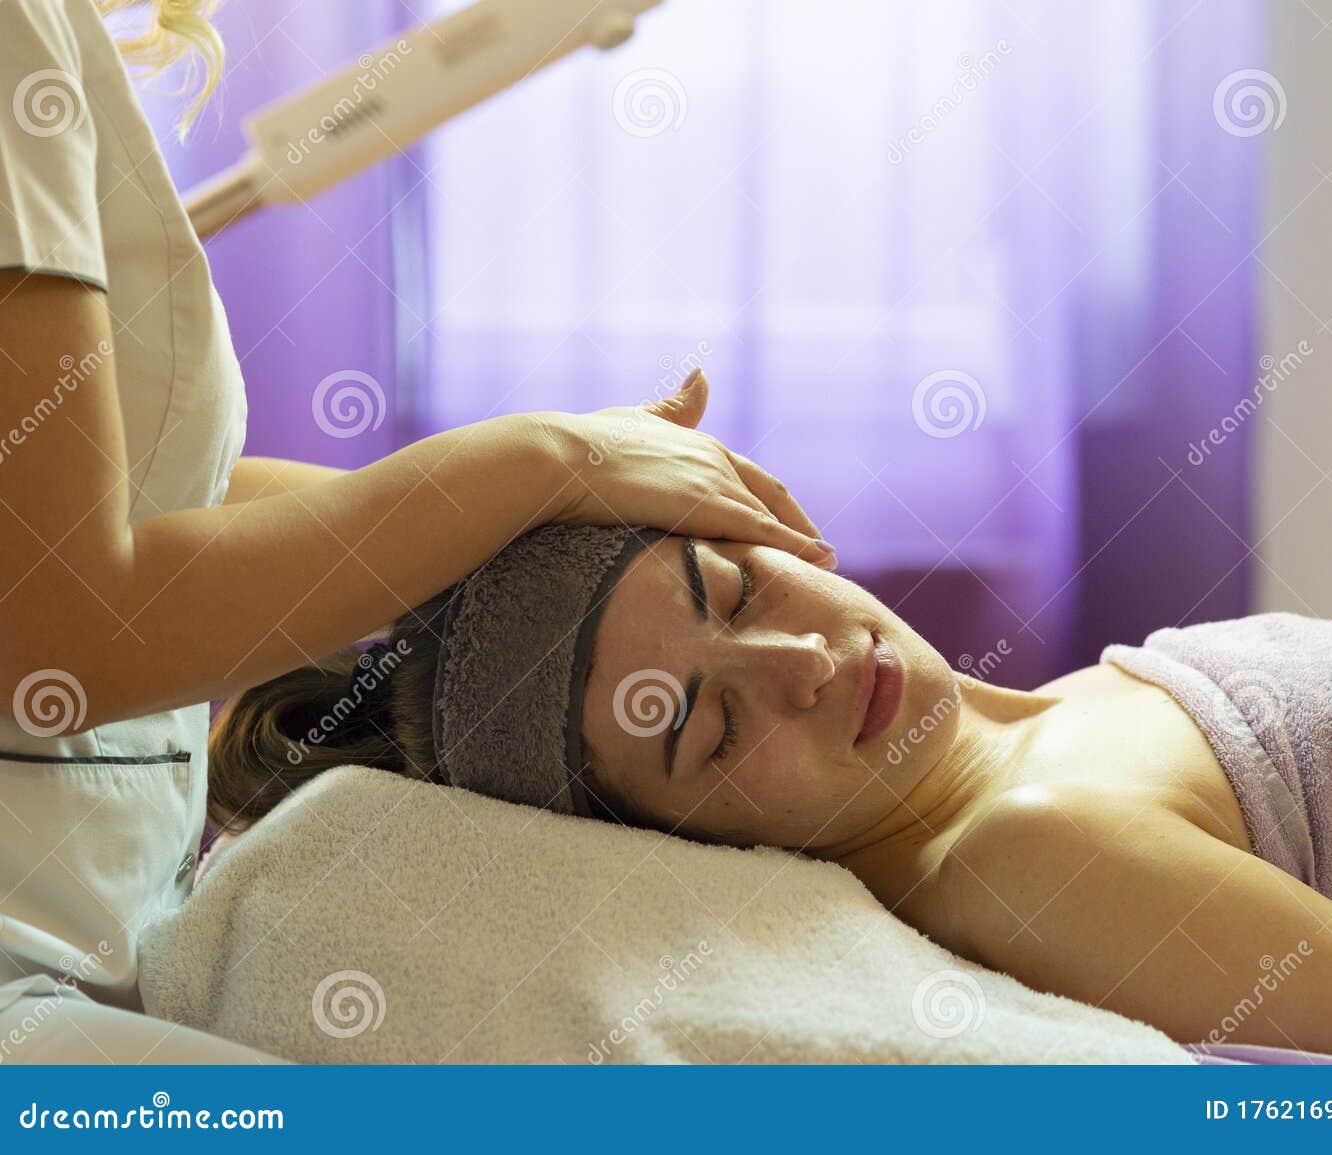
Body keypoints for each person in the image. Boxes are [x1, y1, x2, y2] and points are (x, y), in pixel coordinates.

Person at [0, 0, 830, 1063]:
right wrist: (538, 463)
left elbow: (149, 501)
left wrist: (516, 509)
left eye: (741, 584)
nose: (807, 662)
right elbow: (60, 635)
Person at [212, 524, 1332, 1066]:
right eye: (707, 727)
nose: (804, 662)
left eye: (738, 589)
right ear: (696, 848)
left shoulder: (1044, 725)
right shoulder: (1026, 854)